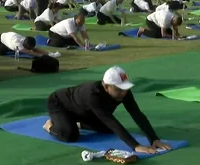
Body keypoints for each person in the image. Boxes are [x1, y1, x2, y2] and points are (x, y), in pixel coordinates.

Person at [43, 66, 172, 154]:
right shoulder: (92, 95)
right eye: (118, 89)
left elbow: (137, 114)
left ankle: (78, 123)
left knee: (107, 129)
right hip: (59, 104)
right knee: (70, 135)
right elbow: (112, 121)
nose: (123, 93)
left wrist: (153, 138)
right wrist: (135, 146)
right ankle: (49, 126)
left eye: (125, 88)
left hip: (84, 110)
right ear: (106, 86)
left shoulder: (124, 92)